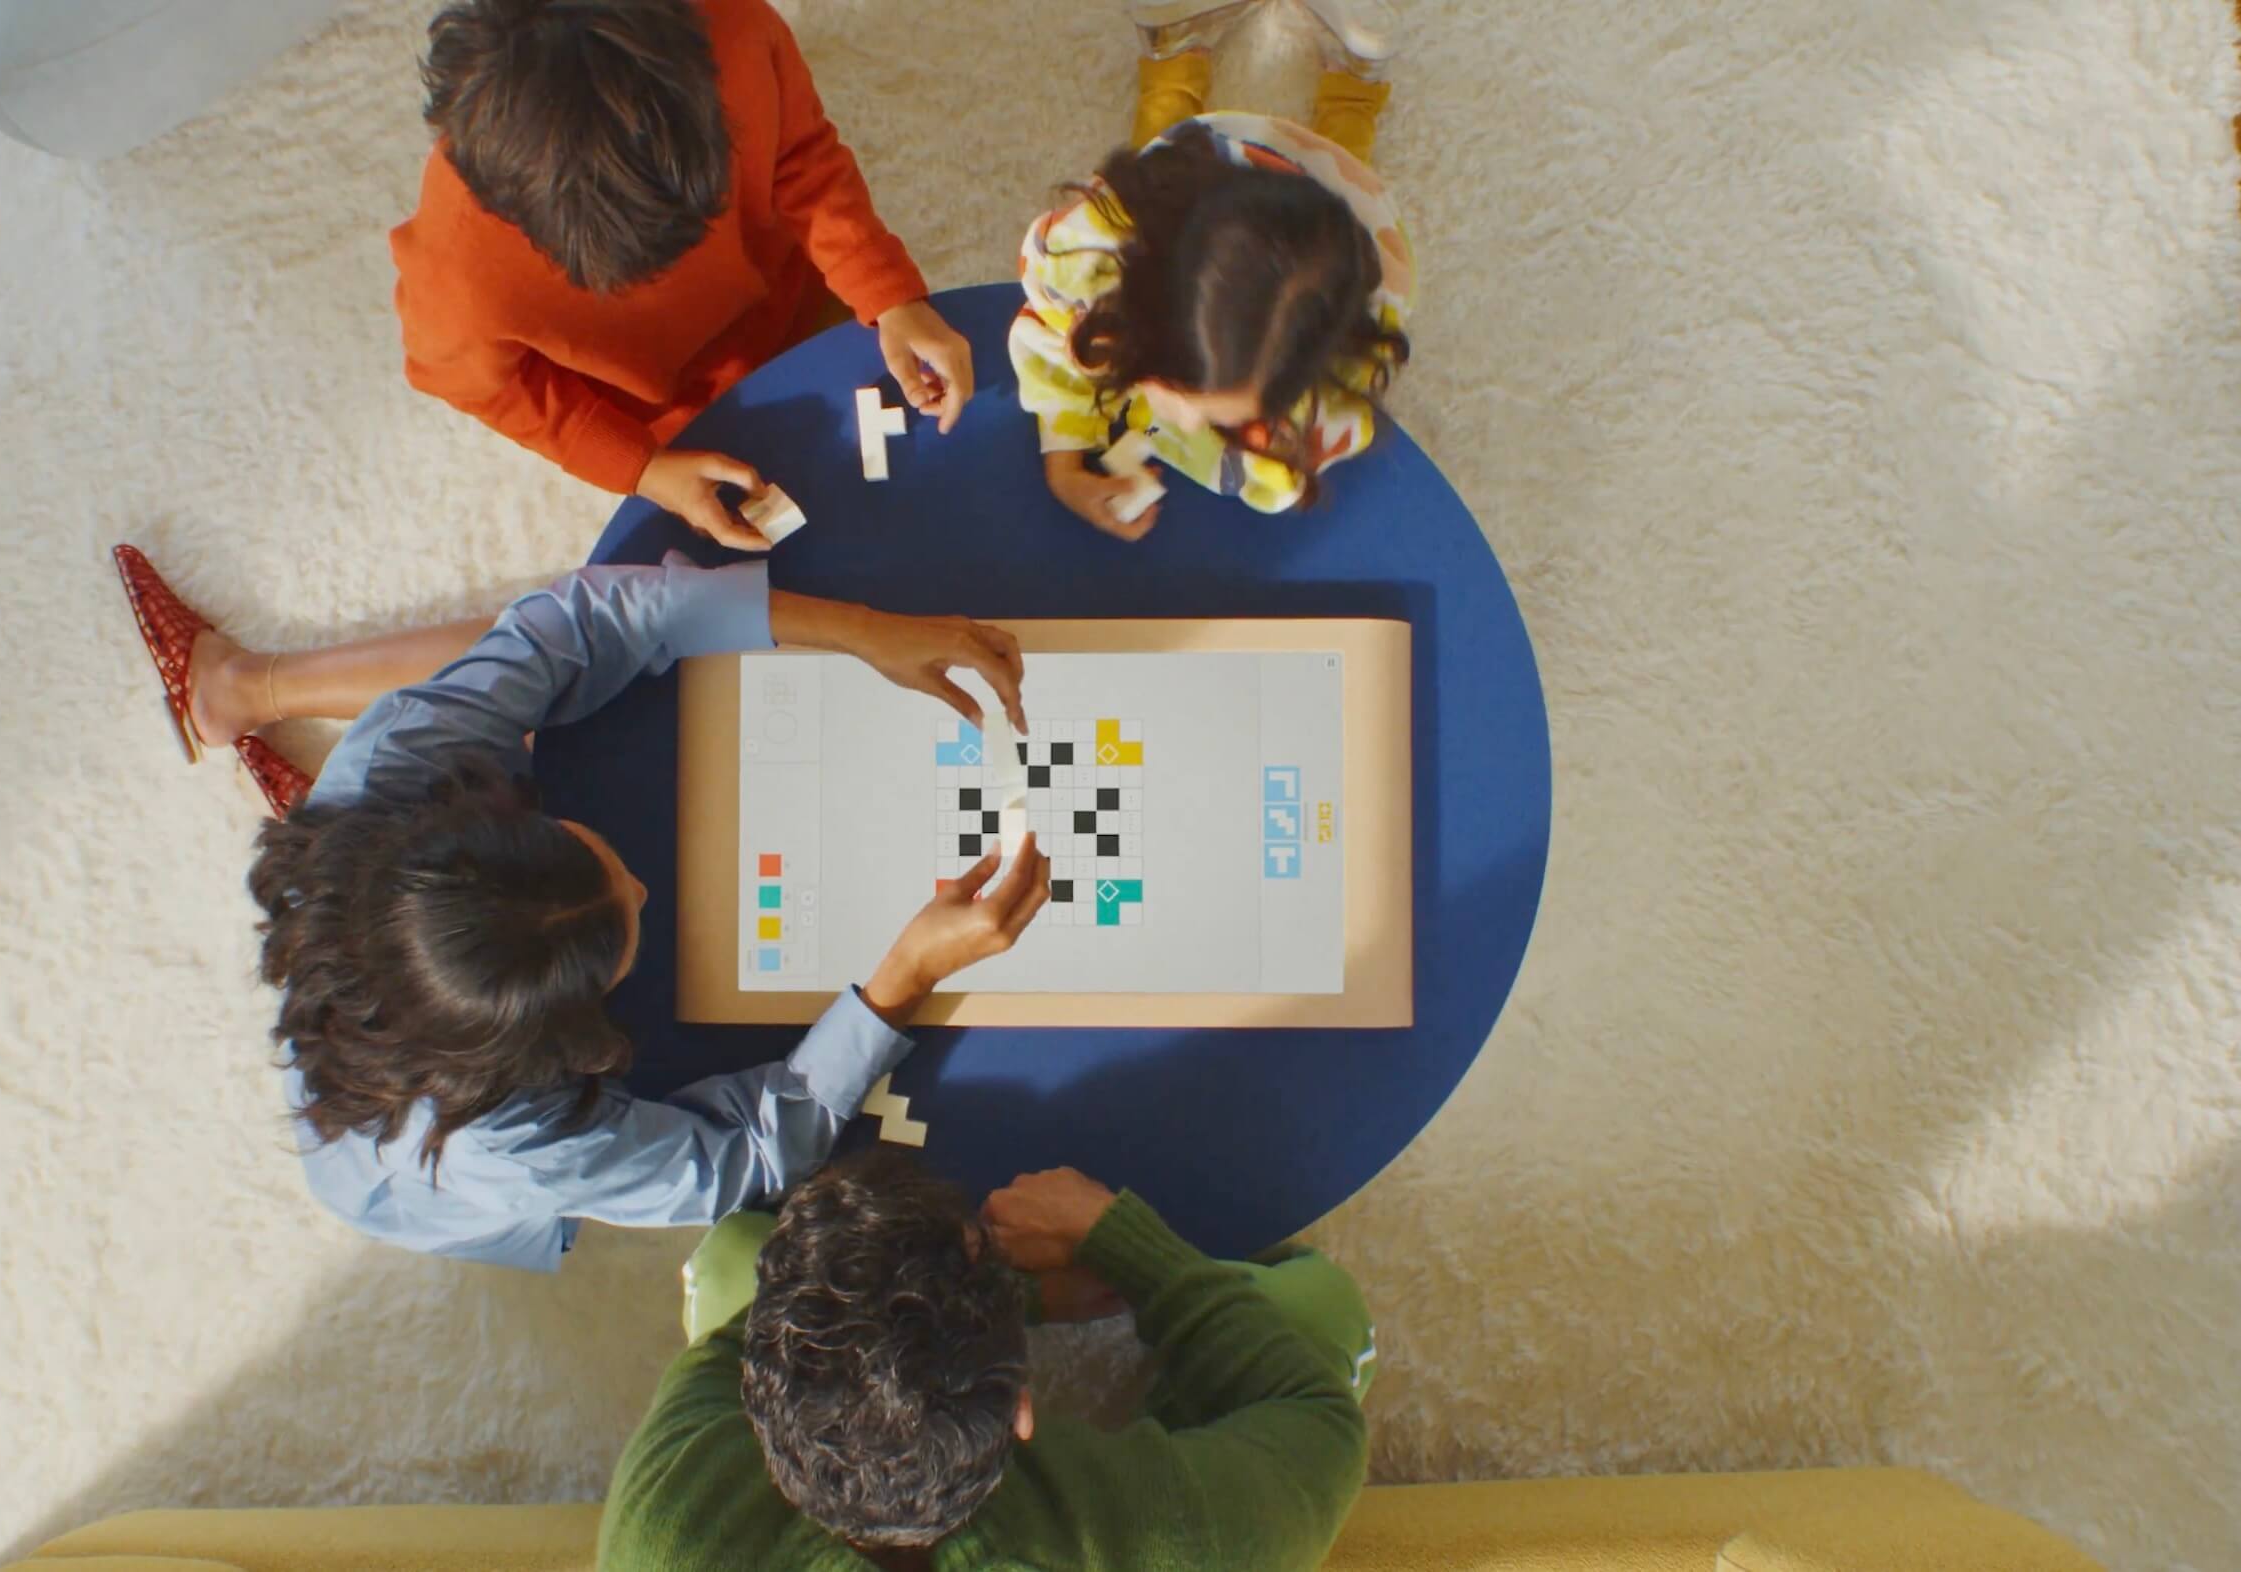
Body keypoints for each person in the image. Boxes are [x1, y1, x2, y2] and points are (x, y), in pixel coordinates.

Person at [110, 545, 1051, 1270]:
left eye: (589, 855)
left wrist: (856, 629)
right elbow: (742, 1163)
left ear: (478, 813)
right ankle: (240, 698)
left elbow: (569, 619)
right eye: (625, 930)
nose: (642, 886)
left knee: (464, 679)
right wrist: (903, 978)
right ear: (561, 1048)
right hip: (415, 1158)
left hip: (356, 853)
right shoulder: (512, 1148)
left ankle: (240, 697)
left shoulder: (400, 761)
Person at [601, 1150, 1376, 1570]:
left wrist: (998, 1306)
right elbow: (1315, 1417)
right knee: (1317, 1309)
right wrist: (1128, 1249)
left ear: (762, 1419)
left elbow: (766, 1320)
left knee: (736, 1255)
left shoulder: (670, 1526)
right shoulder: (1165, 1539)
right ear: (1023, 1412)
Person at [392, 0, 975, 550]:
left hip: (793, 298)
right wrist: (641, 468)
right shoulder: (456, 269)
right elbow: (487, 389)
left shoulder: (737, 29)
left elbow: (803, 159)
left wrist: (890, 294)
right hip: (659, 415)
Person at [1011, 0, 1416, 541]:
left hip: (1332, 194)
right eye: (1180, 396)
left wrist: (1275, 465)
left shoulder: (1342, 363)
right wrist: (1064, 467)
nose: (1186, 423)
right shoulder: (1087, 254)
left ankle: (1353, 93)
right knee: (1159, 149)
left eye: (1223, 417)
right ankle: (1175, 61)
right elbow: (1050, 334)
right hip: (1193, 174)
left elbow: (1303, 456)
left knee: (1343, 156)